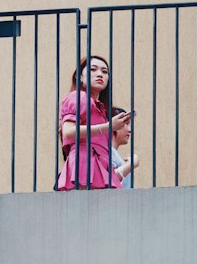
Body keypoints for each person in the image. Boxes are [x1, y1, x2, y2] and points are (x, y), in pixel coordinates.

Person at [56, 56, 130, 190]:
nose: (100, 74)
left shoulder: (100, 108)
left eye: (105, 71)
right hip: (84, 162)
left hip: (98, 164)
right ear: (79, 77)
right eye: (93, 69)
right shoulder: (79, 96)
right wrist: (108, 127)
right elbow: (68, 131)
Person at [110, 107, 140, 189]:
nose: (129, 130)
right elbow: (109, 180)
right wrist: (132, 164)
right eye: (126, 124)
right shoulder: (108, 152)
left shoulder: (113, 152)